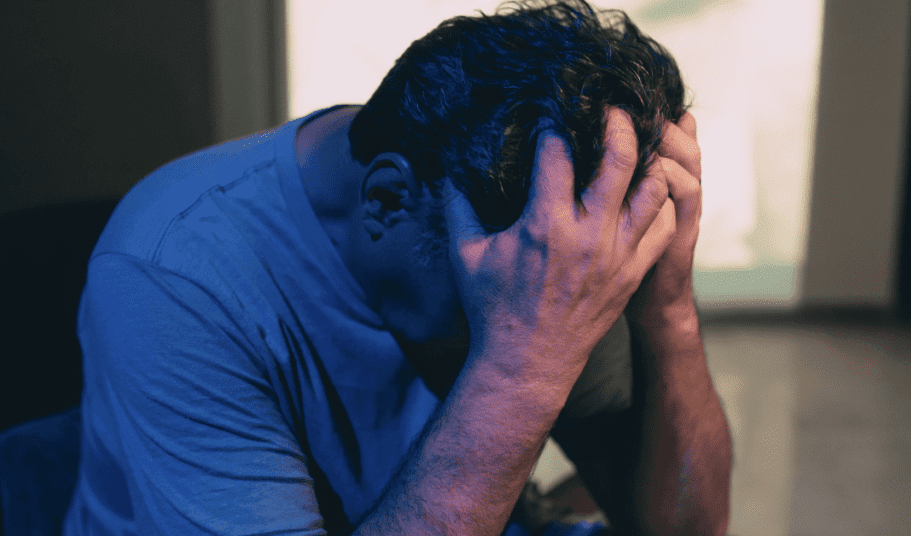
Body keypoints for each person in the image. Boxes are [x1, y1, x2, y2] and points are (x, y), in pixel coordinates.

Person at [62, 1, 732, 534]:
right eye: (492, 310)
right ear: (386, 200)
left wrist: (667, 310)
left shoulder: (562, 239)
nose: (540, 317)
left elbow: (689, 527)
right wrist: (522, 365)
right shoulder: (173, 275)